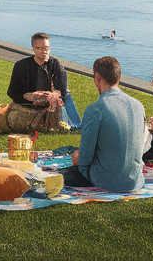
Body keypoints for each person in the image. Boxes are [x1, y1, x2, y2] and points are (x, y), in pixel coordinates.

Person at [62, 56, 145, 193]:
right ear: (118, 77)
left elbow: (85, 158)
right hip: (135, 180)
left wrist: (79, 158)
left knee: (68, 174)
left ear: (97, 78)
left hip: (107, 181)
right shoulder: (138, 105)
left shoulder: (96, 109)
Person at [6, 32, 81, 129]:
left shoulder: (55, 64)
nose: (43, 51)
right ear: (33, 48)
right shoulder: (21, 65)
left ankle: (77, 125)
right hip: (29, 102)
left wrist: (54, 95)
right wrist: (29, 96)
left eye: (46, 48)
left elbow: (62, 87)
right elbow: (12, 91)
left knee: (66, 94)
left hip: (50, 100)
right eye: (38, 48)